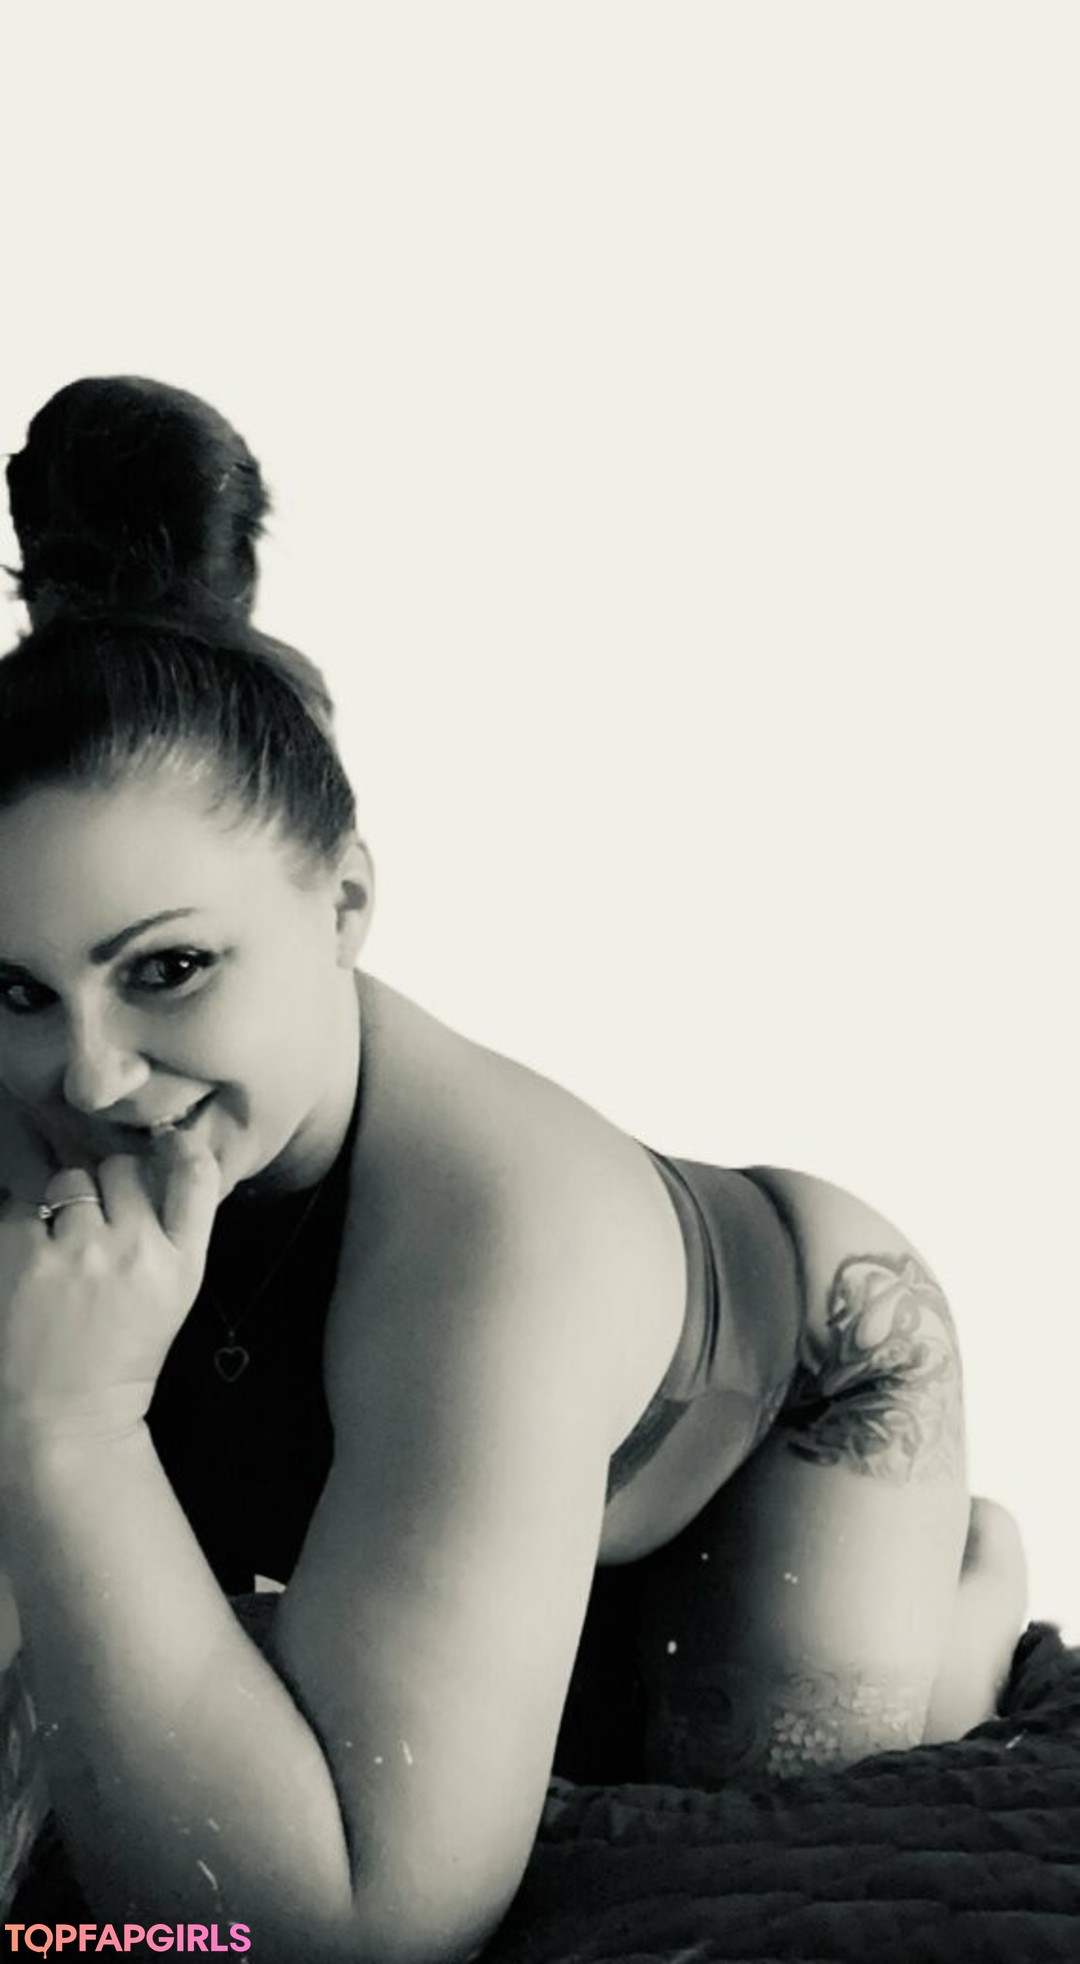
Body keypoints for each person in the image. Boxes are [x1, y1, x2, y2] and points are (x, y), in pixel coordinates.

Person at [0, 378, 1028, 1961]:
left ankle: (962, 1600)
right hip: (473, 1436)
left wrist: (65, 1426)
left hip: (789, 1403)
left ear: (346, 905)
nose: (87, 1078)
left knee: (707, 1830)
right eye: (16, 991)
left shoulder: (499, 1242)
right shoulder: (53, 1095)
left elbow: (366, 1929)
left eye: (170, 969)